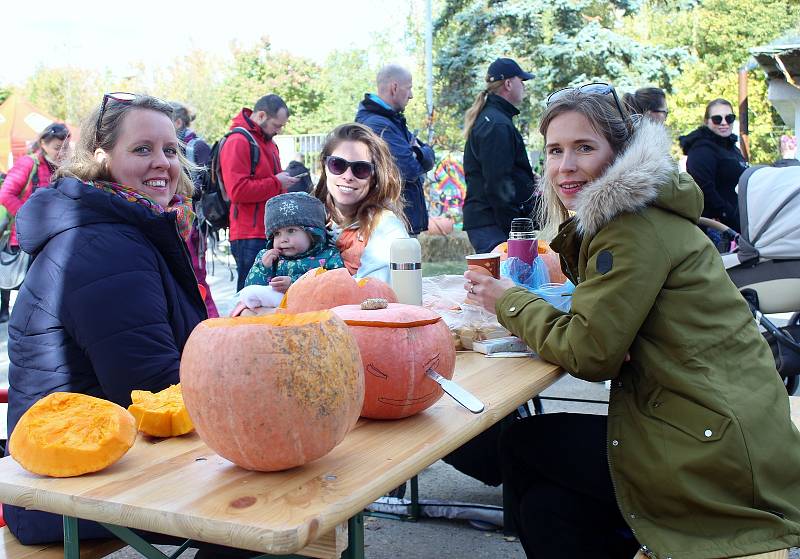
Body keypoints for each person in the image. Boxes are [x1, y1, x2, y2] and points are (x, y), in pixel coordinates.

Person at [464, 83, 800, 558]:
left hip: (711, 450)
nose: (565, 166)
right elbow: (604, 332)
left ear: (619, 153)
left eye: (584, 147)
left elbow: (589, 352)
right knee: (545, 502)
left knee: (522, 445)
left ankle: (643, 535)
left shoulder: (630, 229)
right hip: (722, 424)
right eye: (555, 150)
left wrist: (509, 300)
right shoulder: (642, 214)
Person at [3, 93, 257, 557]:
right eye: (142, 149)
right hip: (68, 480)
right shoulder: (101, 244)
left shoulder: (127, 226)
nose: (162, 162)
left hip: (115, 459)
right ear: (101, 158)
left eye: (169, 149)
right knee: (267, 512)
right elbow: (156, 388)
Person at [219, 94, 299, 291]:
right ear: (261, 115)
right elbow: (237, 191)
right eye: (277, 125)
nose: (279, 131)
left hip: (267, 230)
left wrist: (282, 182)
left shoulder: (268, 142)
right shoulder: (238, 140)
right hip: (249, 234)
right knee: (250, 292)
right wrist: (276, 182)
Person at [314, 123, 409, 284]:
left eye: (361, 169)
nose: (348, 176)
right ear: (325, 166)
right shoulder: (305, 217)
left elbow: (373, 292)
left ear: (374, 177)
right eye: (337, 165)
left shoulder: (386, 228)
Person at [462, 57, 537, 254]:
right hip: (492, 223)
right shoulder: (497, 124)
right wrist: (515, 229)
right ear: (509, 84)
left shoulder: (495, 118)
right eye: (522, 81)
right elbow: (498, 184)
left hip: (488, 221)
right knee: (503, 283)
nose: (524, 86)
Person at [0, 122, 70, 323]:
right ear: (43, 143)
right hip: (25, 237)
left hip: (50, 238)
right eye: (57, 147)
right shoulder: (28, 164)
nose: (61, 152)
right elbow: (5, 194)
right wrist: (29, 218)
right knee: (25, 288)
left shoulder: (60, 168)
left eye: (64, 147)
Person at [356, 64, 435, 235]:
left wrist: (419, 153)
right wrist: (417, 155)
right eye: (409, 88)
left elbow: (428, 154)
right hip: (394, 222)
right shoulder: (377, 124)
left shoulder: (391, 121)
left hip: (401, 220)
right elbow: (409, 170)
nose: (411, 95)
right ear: (394, 88)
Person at [235, 192, 344, 311]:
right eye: (277, 234)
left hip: (311, 312)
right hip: (271, 316)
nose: (283, 239)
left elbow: (336, 286)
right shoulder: (268, 258)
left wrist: (294, 285)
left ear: (312, 233)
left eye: (291, 231)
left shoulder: (328, 256)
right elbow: (251, 290)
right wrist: (263, 268)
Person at [170, 101, 218, 317]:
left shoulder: (195, 146)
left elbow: (209, 184)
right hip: (177, 218)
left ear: (178, 122)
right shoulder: (174, 145)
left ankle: (210, 323)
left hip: (194, 222)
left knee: (196, 278)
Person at [679, 98, 747, 230]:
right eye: (717, 119)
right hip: (717, 227)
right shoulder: (701, 150)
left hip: (739, 221)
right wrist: (731, 219)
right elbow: (705, 190)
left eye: (729, 118)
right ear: (706, 121)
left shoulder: (733, 148)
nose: (724, 123)